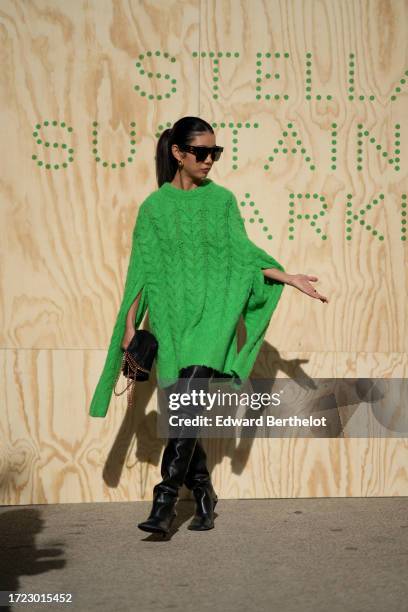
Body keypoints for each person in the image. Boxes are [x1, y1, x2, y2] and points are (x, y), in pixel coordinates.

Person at [89, 116, 329, 536]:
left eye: (215, 152)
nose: (209, 160)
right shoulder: (154, 208)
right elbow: (140, 272)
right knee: (183, 410)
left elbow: (244, 253)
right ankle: (203, 493)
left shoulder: (222, 201)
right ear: (178, 153)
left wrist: (287, 277)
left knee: (186, 400)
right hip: (170, 320)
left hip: (213, 320)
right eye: (201, 152)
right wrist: (131, 324)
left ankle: (164, 501)